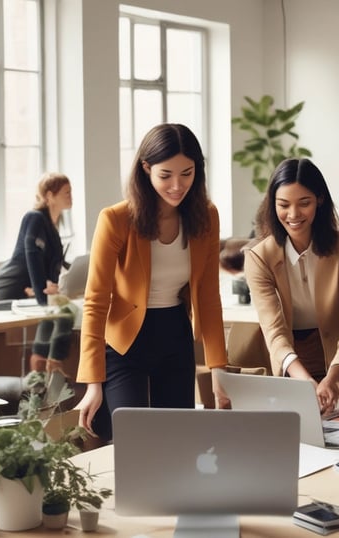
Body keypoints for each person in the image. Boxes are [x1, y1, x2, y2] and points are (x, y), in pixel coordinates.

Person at [75, 123, 228, 438]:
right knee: (131, 438)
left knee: (175, 439)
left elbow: (209, 298)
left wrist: (219, 371)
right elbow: (96, 301)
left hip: (174, 332)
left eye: (187, 173)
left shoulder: (206, 216)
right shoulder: (115, 220)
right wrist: (93, 383)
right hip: (124, 341)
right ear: (146, 169)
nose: (177, 185)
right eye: (166, 175)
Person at [243, 158, 339, 415]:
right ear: (272, 205)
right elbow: (274, 332)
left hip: (338, 358)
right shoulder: (258, 257)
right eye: (283, 205)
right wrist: (306, 380)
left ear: (319, 200)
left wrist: (331, 379)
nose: (294, 214)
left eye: (304, 203)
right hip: (292, 358)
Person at [0, 172, 75, 371]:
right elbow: (32, 256)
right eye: (66, 192)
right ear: (49, 195)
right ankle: (43, 371)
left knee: (63, 313)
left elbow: (52, 265)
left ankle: (52, 367)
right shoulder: (34, 217)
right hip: (10, 288)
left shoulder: (54, 226)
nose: (71, 196)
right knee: (55, 313)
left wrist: (52, 287)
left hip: (33, 289)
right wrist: (43, 297)